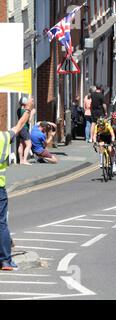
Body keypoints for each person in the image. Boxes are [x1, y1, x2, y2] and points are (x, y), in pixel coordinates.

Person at [0, 97, 35, 270]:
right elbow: (20, 125)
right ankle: (5, 261)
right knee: (1, 223)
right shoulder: (3, 138)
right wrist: (28, 109)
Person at [16, 97, 35, 165]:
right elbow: (28, 120)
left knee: (21, 144)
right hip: (24, 128)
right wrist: (32, 113)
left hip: (20, 128)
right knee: (29, 144)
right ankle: (24, 160)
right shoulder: (25, 111)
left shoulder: (19, 110)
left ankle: (21, 160)